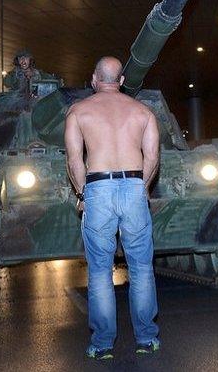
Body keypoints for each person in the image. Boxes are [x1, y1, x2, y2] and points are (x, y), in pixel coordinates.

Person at [65, 56, 161, 360]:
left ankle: (103, 344)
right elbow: (153, 158)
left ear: (95, 79)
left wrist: (82, 193)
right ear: (120, 81)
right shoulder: (143, 112)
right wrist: (141, 187)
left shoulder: (78, 111)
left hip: (97, 189)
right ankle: (146, 338)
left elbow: (74, 160)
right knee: (142, 269)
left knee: (99, 272)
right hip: (133, 186)